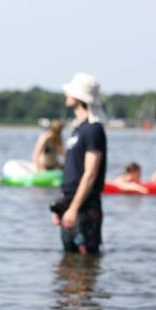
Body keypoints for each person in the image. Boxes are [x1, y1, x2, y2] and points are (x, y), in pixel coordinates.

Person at [51, 72, 107, 255]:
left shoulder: (93, 129)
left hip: (84, 206)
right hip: (71, 203)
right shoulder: (78, 129)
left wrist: (74, 208)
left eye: (70, 92)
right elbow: (72, 170)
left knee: (85, 259)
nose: (66, 95)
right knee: (68, 263)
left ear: (79, 96)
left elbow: (90, 173)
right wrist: (62, 206)